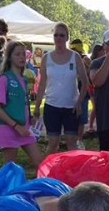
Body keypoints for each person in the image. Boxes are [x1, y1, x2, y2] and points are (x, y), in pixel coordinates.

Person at [33, 23, 89, 154]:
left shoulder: (75, 57)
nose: (58, 38)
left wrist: (79, 102)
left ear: (67, 37)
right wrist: (36, 106)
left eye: (62, 35)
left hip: (71, 107)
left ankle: (71, 172)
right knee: (53, 144)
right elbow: (42, 84)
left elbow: (85, 82)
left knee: (71, 143)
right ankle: (49, 172)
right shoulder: (46, 58)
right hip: (52, 106)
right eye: (56, 35)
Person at [0, 41, 44, 168]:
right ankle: (8, 188)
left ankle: (43, 186)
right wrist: (16, 126)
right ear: (9, 57)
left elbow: (22, 104)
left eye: (23, 54)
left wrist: (30, 118)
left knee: (40, 162)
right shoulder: (5, 78)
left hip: (25, 128)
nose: (22, 57)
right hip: (9, 129)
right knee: (10, 168)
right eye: (17, 54)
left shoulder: (24, 79)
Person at [69, 38, 91, 149]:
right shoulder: (68, 58)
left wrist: (85, 68)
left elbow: (89, 75)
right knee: (72, 117)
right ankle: (72, 140)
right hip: (71, 93)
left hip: (82, 92)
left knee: (81, 118)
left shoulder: (85, 59)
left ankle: (79, 140)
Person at [87, 44, 105, 133]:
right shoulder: (94, 62)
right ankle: (90, 126)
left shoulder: (104, 61)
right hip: (92, 87)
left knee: (100, 107)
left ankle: (100, 125)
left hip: (101, 88)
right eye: (102, 50)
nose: (104, 51)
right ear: (98, 52)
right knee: (96, 107)